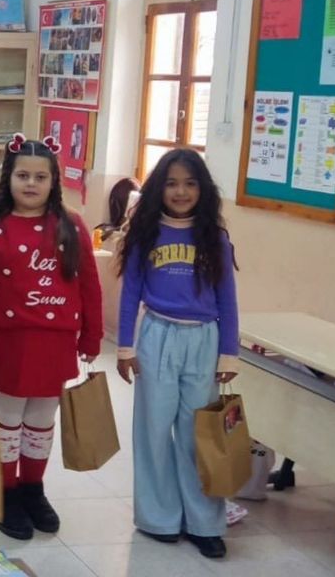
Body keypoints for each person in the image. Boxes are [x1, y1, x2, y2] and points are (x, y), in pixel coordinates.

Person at [0, 134, 103, 541]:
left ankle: (32, 488)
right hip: (3, 341)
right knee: (7, 422)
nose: (31, 184)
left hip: (55, 343)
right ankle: (5, 491)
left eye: (41, 177)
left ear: (53, 181)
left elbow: (89, 286)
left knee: (41, 421)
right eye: (22, 175)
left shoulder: (72, 225)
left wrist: (92, 336)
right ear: (8, 177)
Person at [116, 148, 239, 560]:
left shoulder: (214, 238)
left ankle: (204, 522)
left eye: (189, 183)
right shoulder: (146, 234)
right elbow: (131, 292)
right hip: (157, 335)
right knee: (152, 428)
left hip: (203, 339)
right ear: (158, 188)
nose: (181, 191)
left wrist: (229, 353)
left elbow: (228, 299)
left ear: (203, 189)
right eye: (171, 183)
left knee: (196, 433)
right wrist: (126, 347)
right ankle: (159, 517)